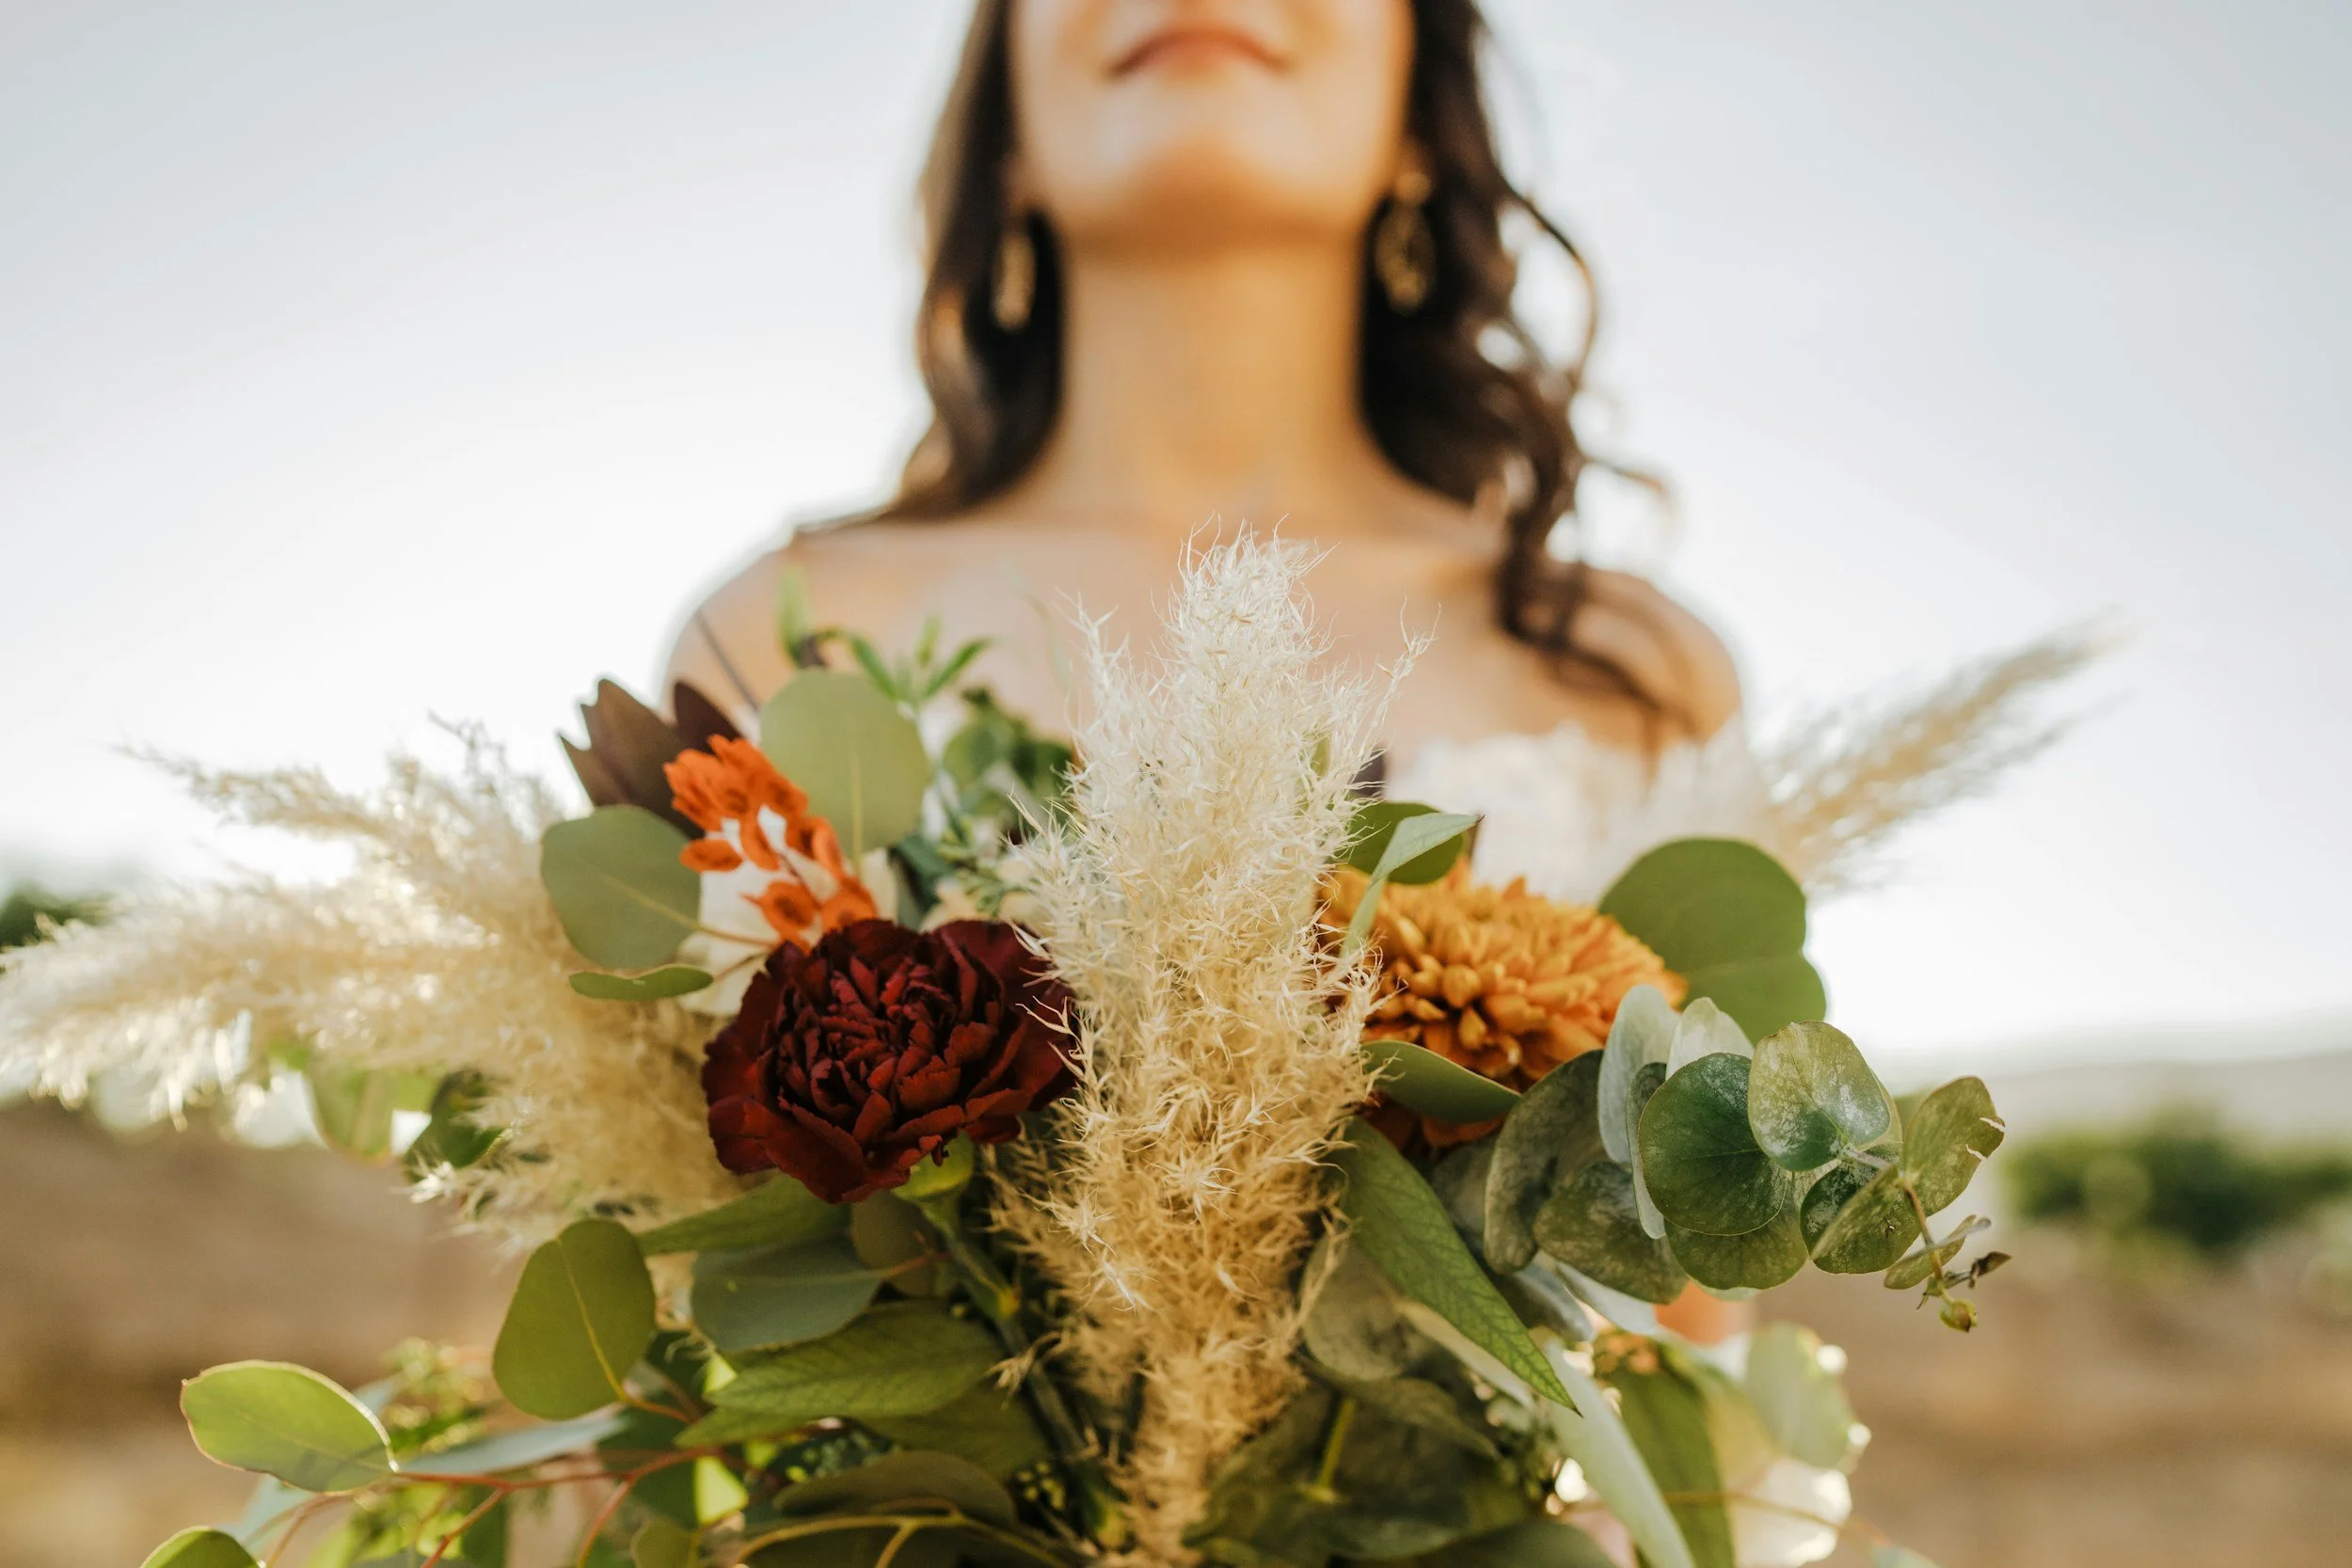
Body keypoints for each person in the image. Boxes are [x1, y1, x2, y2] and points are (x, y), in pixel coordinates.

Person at [670, 0, 1744, 1341]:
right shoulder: (781, 638)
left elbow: (1704, 1377)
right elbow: (688, 1311)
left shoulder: (1627, 674)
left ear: (1420, 115)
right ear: (1007, 130)